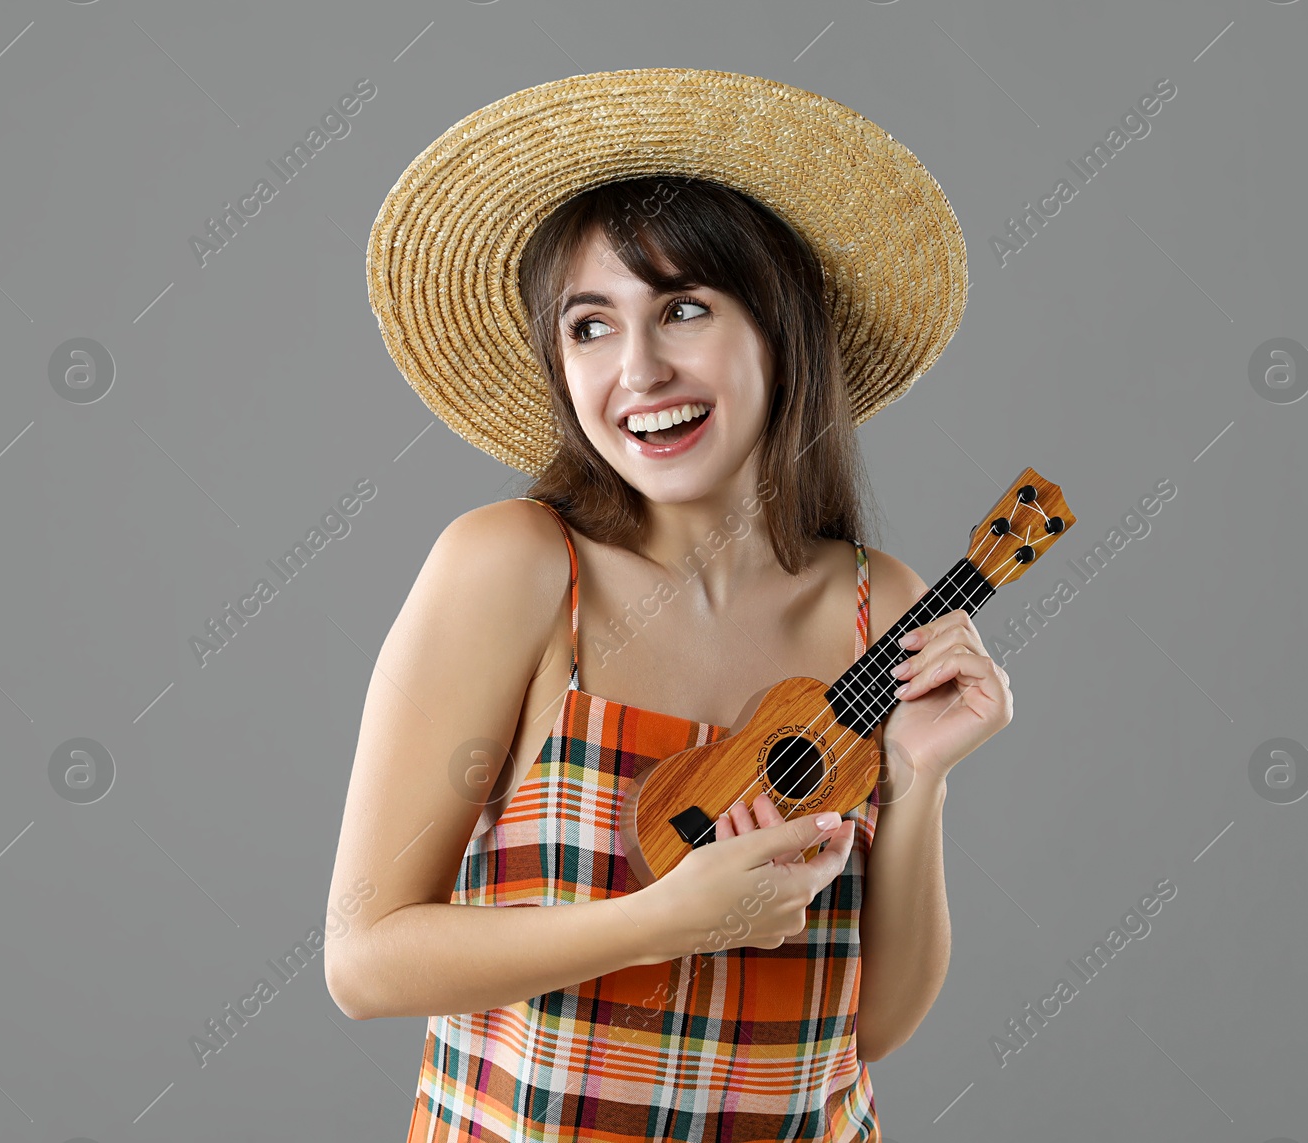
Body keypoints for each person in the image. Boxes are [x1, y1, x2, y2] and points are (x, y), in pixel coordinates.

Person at [327, 68, 1012, 1142]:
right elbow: (365, 963)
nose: (637, 369)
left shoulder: (882, 605)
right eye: (589, 326)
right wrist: (667, 921)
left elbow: (867, 1029)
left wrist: (919, 780)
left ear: (779, 333)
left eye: (683, 309)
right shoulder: (518, 569)